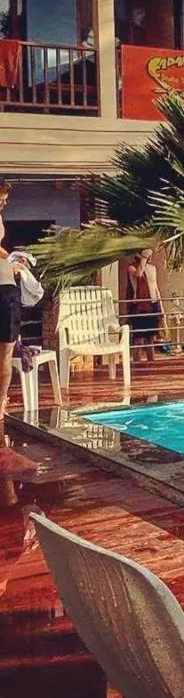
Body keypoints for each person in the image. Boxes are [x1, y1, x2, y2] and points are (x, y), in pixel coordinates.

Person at [0, 182, 34, 479]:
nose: (3, 202)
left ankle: (0, 408)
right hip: (2, 287)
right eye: (1, 198)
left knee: (6, 350)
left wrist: (10, 258)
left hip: (6, 288)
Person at [126, 248, 164, 363]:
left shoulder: (152, 268)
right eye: (147, 254)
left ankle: (151, 364)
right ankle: (136, 364)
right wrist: (143, 259)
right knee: (138, 339)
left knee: (150, 339)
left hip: (152, 304)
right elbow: (138, 274)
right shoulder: (132, 267)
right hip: (139, 306)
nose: (149, 256)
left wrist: (161, 309)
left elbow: (156, 288)